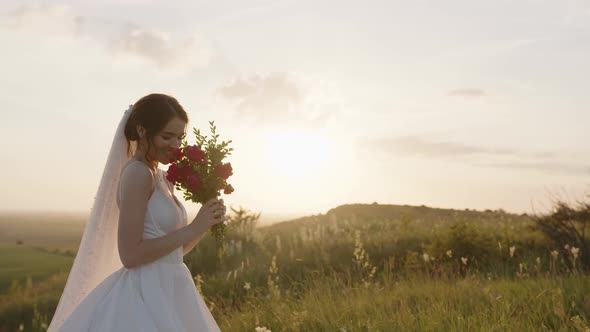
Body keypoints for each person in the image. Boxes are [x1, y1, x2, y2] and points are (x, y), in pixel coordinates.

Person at [48, 93, 225, 331]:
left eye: (180, 137)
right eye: (167, 136)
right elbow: (131, 255)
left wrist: (204, 224)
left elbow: (174, 251)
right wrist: (193, 227)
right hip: (144, 294)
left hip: (172, 288)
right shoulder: (137, 174)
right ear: (142, 131)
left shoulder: (163, 177)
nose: (176, 146)